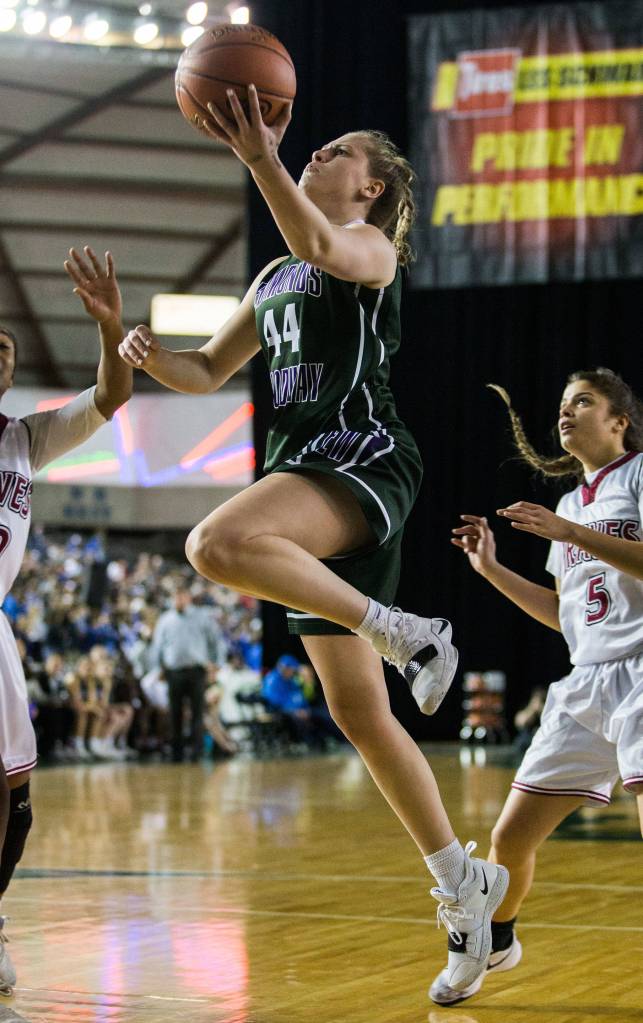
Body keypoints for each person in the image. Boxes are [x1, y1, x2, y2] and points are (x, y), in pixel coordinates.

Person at [116, 87, 507, 992]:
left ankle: (408, 628)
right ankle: (463, 884)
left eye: (335, 152)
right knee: (361, 715)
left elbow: (319, 243)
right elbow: (208, 367)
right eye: (315, 148)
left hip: (362, 457)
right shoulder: (273, 278)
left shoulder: (365, 248)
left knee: (212, 543)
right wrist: (140, 352)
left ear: (371, 190)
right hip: (304, 478)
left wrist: (258, 157)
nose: (315, 154)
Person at [431, 368, 643, 1006]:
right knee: (510, 836)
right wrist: (491, 569)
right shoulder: (569, 505)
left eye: (583, 402)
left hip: (642, 668)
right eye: (561, 404)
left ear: (619, 421)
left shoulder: (636, 478)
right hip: (586, 681)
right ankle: (495, 940)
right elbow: (563, 614)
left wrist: (573, 536)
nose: (566, 412)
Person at [0, 245, 131, 994]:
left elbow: (111, 396)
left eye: (9, 352)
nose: (2, 357)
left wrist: (111, 327)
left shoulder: (25, 437)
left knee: (13, 794)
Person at [148, 586, 222, 762]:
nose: (178, 600)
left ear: (188, 597)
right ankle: (177, 752)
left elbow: (215, 641)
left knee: (198, 711)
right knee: (175, 712)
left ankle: (197, 750)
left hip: (197, 670)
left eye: (181, 596)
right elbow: (157, 646)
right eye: (175, 597)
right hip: (173, 672)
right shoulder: (165, 620)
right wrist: (157, 669)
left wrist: (216, 664)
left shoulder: (202, 617)